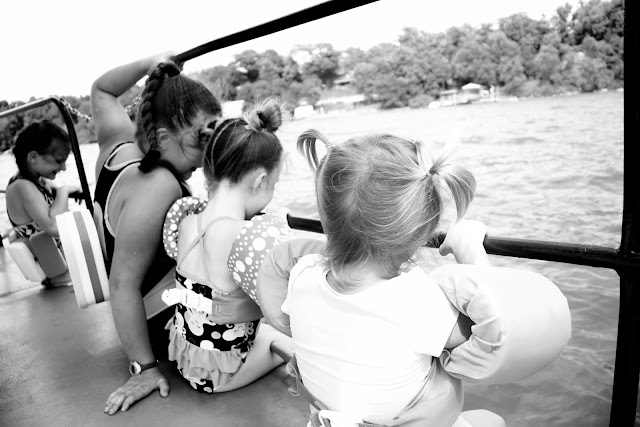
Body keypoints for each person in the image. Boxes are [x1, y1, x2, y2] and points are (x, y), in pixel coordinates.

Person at [283, 130, 506, 426]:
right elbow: (493, 325)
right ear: (422, 233)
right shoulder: (416, 300)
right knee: (491, 420)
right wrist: (471, 253)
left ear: (325, 216)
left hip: (323, 421)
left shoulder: (301, 274)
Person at [91, 52, 222, 415]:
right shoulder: (158, 185)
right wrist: (144, 369)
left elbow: (102, 90)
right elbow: (122, 284)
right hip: (162, 324)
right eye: (198, 146)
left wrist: (149, 64)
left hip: (147, 311)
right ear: (163, 137)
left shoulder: (117, 147)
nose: (203, 162)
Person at [160, 99, 291, 394]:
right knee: (284, 339)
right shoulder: (243, 235)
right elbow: (280, 305)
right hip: (220, 375)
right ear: (261, 180)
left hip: (186, 358)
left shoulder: (186, 220)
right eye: (273, 184)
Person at [5, 121, 79, 286]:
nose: (64, 168)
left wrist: (67, 190)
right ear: (33, 157)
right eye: (59, 161)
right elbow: (53, 227)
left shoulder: (37, 182)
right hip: (59, 276)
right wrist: (64, 191)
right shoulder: (22, 187)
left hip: (62, 272)